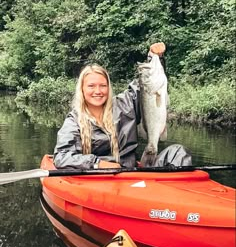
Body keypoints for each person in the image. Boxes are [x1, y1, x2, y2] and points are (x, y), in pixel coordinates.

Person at [53, 43, 192, 170]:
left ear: (109, 87)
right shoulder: (73, 121)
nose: (98, 91)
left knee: (178, 152)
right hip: (99, 178)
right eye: (91, 86)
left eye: (103, 86)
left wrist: (154, 57)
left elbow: (146, 88)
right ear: (82, 89)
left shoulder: (124, 105)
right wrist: (97, 163)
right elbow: (62, 156)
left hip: (130, 173)